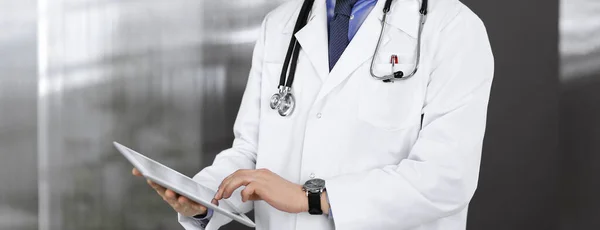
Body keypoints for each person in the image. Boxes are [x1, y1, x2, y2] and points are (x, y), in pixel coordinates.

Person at [133, 0, 494, 229]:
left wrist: (314, 199)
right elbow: (250, 151)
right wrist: (204, 197)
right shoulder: (281, 24)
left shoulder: (454, 29)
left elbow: (446, 178)